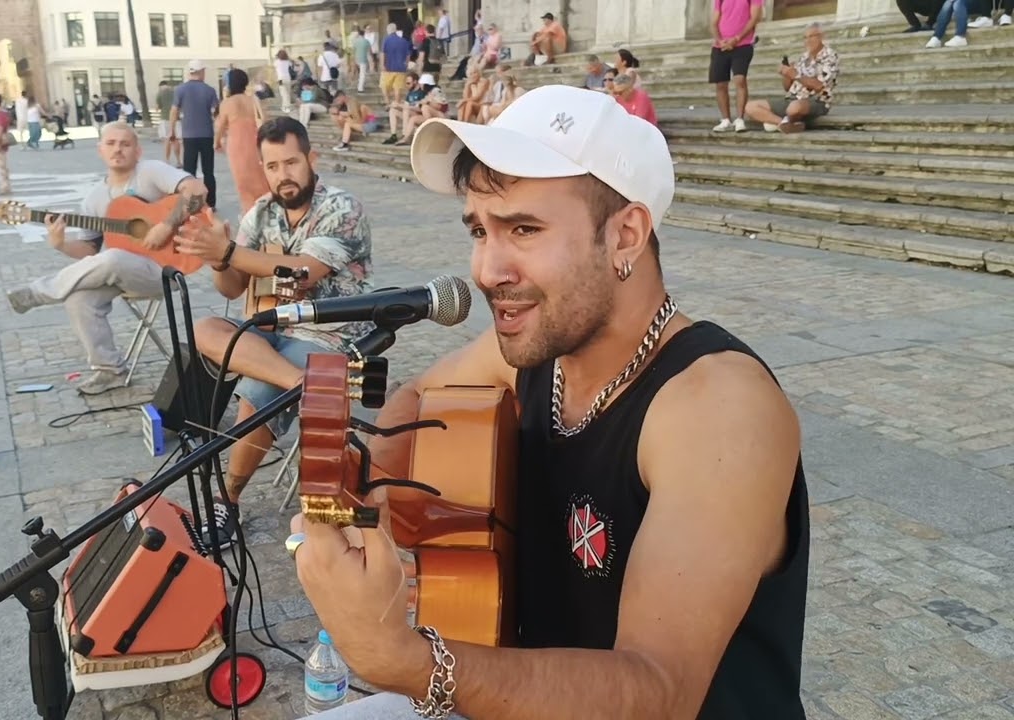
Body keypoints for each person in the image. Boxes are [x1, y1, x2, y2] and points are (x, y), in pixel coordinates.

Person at [288, 85, 810, 720]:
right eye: (480, 229)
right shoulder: (542, 347)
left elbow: (658, 691)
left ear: (625, 235)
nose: (485, 268)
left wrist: (403, 659)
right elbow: (420, 397)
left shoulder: (718, 408)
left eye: (524, 229)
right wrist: (374, 495)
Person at [172, 116, 373, 551]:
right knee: (206, 327)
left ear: (310, 159)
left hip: (331, 334)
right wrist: (221, 260)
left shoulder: (342, 207)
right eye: (272, 166)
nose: (283, 175)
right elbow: (232, 289)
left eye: (291, 162)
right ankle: (305, 386)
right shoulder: (260, 212)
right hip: (272, 328)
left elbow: (305, 270)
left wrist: (229, 250)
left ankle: (228, 500)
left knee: (259, 388)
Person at [3, 122, 210, 395]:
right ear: (100, 150)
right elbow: (89, 251)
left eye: (125, 144)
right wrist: (61, 244)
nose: (118, 149)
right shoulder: (94, 199)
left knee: (112, 258)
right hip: (125, 271)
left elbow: (197, 189)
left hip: (168, 270)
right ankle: (109, 370)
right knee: (79, 298)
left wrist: (166, 225)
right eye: (111, 143)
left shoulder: (149, 172)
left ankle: (38, 293)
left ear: (137, 150)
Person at [744, 22, 839, 134]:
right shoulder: (803, 57)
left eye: (811, 36)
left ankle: (780, 123)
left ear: (821, 36)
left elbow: (819, 86)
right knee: (750, 107)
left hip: (817, 100)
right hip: (792, 99)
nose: (807, 41)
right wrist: (787, 74)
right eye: (805, 38)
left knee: (794, 108)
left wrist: (795, 75)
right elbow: (787, 87)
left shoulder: (830, 56)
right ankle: (783, 123)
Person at [215, 68, 271, 213]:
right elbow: (265, 119)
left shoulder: (227, 103)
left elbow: (220, 126)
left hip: (237, 145)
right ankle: (266, 209)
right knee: (261, 178)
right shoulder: (253, 100)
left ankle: (249, 214)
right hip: (257, 141)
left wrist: (216, 142)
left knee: (243, 183)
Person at [170, 59, 221, 210]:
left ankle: (190, 203)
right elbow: (216, 113)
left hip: (189, 135)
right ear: (201, 72)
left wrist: (171, 129)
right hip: (206, 134)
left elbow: (174, 110)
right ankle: (211, 204)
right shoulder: (210, 90)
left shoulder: (180, 90)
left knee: (189, 171)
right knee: (208, 172)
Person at [710, 0, 763, 133]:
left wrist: (737, 38)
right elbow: (714, 21)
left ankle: (740, 118)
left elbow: (754, 18)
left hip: (742, 44)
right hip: (721, 46)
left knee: (740, 80)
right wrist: (719, 40)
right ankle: (725, 119)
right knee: (720, 84)